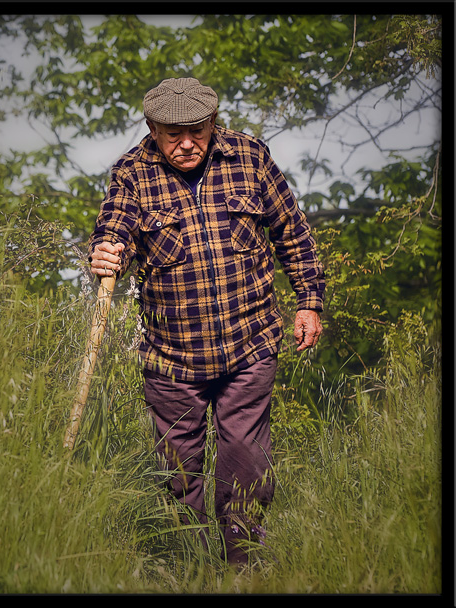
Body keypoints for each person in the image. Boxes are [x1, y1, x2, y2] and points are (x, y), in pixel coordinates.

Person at [88, 77, 325, 567]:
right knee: (179, 477)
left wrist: (308, 302)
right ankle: (192, 569)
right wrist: (108, 251)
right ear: (152, 128)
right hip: (172, 360)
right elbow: (116, 227)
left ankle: (244, 568)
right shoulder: (132, 173)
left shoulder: (250, 158)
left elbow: (293, 233)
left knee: (246, 463)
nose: (187, 143)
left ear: (214, 122)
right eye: (173, 134)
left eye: (197, 130)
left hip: (249, 346)